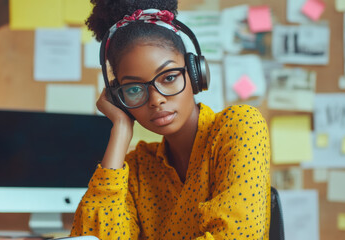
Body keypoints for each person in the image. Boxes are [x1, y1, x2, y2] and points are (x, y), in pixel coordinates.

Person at [70, 0, 271, 239]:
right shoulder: (137, 169)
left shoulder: (241, 125)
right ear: (119, 99)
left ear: (196, 74)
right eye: (134, 89)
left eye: (169, 77)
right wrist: (120, 130)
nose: (156, 100)